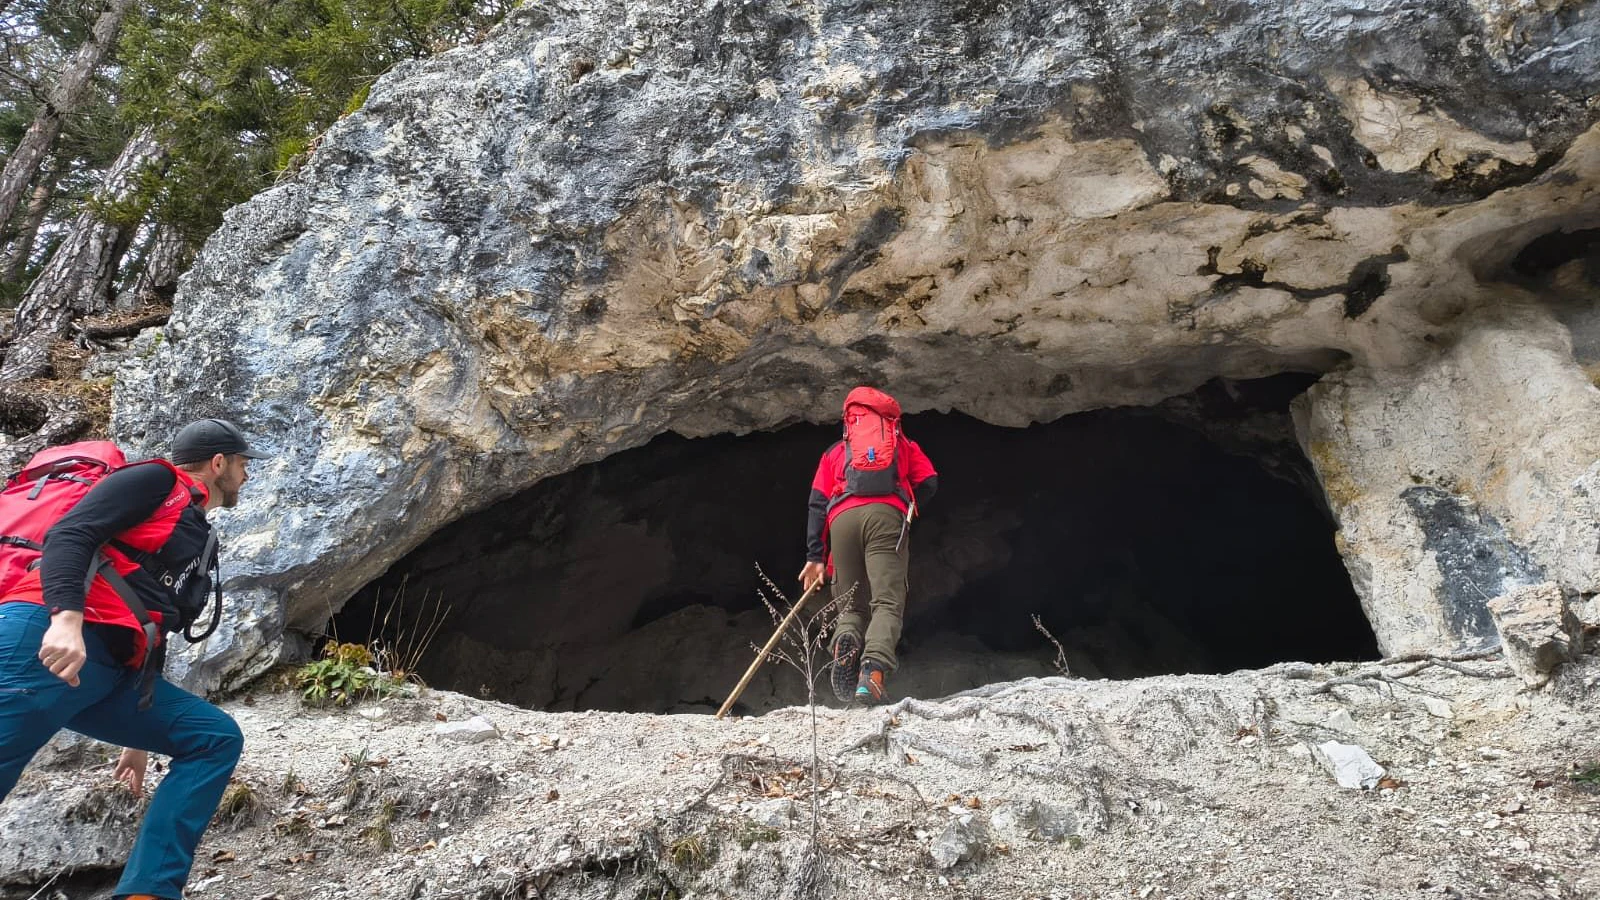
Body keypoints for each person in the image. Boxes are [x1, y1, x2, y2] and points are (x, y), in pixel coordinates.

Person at [0, 418, 268, 900]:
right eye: (243, 464)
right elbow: (69, 535)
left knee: (212, 738)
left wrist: (137, 739)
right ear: (219, 463)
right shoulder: (156, 479)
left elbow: (154, 618)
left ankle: (148, 891)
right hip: (47, 638)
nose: (247, 475)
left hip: (108, 667)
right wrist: (65, 619)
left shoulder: (193, 527)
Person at [799, 387, 937, 704]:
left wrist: (815, 556)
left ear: (849, 421)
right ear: (890, 421)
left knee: (850, 604)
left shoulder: (835, 452)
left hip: (841, 519)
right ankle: (871, 675)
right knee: (886, 601)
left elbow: (817, 503)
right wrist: (908, 508)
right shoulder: (902, 446)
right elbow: (929, 481)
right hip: (885, 516)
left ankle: (845, 640)